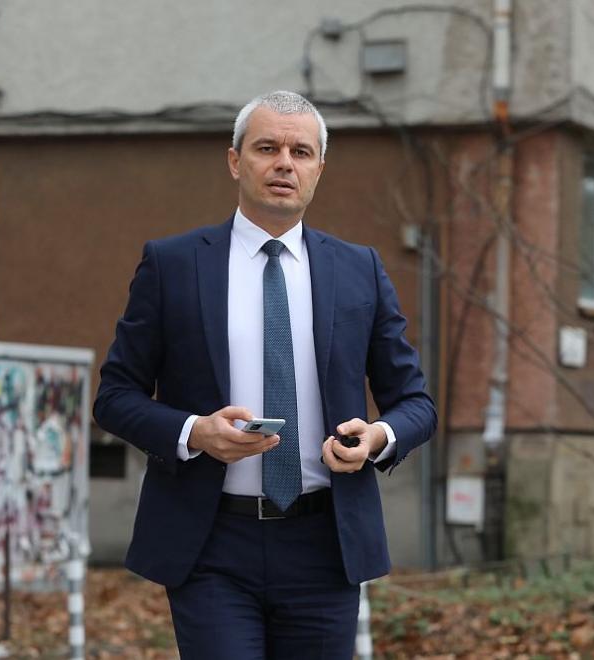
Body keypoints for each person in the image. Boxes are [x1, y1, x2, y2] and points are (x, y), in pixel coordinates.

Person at [94, 90, 437, 659]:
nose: (284, 163)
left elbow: (416, 403)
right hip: (210, 542)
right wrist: (194, 432)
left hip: (325, 544)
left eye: (301, 152)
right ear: (235, 161)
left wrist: (378, 437)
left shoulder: (360, 270)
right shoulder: (173, 265)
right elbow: (114, 396)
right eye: (267, 148)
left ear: (319, 170)